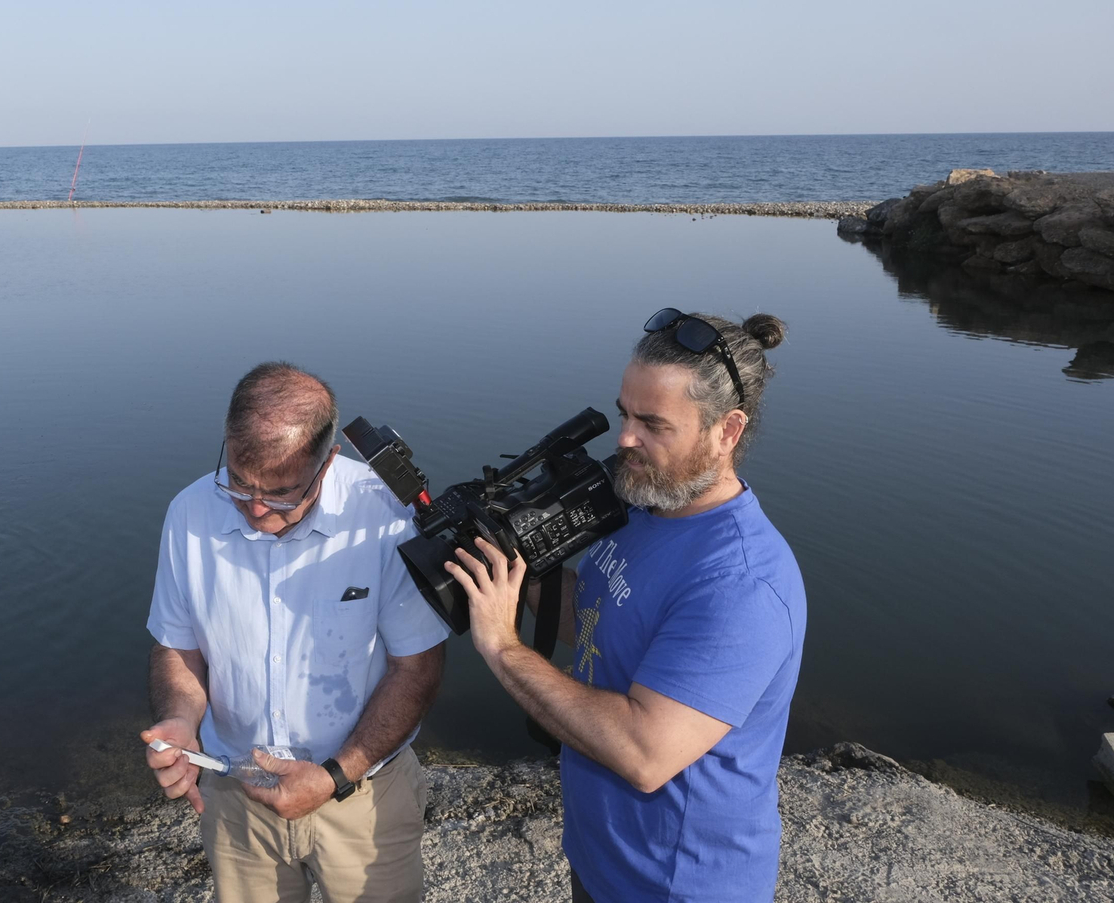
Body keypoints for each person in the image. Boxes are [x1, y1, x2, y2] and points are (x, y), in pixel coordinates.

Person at [444, 310, 806, 903]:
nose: (625, 440)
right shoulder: (644, 506)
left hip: (676, 885)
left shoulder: (740, 584)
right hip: (601, 858)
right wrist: (511, 577)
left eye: (653, 424)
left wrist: (502, 646)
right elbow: (597, 623)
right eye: (624, 414)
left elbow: (644, 753)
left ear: (727, 430)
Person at [143, 361, 449, 903]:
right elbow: (177, 646)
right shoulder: (189, 514)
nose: (257, 509)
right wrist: (180, 719)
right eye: (239, 482)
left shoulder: (385, 515)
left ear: (328, 460)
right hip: (237, 796)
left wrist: (335, 775)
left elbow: (417, 666)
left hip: (362, 797)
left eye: (283, 492)